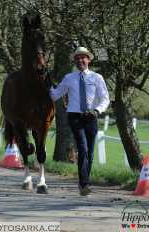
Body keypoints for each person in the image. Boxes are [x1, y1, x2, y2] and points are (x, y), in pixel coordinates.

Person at [49, 47, 110, 196]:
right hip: (75, 116)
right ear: (75, 61)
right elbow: (55, 94)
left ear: (88, 60)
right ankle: (84, 184)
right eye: (77, 58)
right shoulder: (69, 78)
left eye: (83, 58)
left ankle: (85, 181)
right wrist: (46, 83)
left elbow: (105, 99)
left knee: (90, 151)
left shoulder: (97, 78)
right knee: (82, 148)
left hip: (91, 116)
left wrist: (97, 111)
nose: (80, 61)